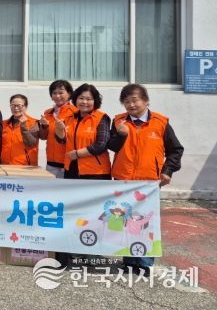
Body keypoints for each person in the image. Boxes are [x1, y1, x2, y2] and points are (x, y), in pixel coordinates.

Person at [108, 83, 183, 275]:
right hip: (123, 180)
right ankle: (128, 261)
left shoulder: (161, 122)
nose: (131, 105)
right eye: (126, 102)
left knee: (146, 223)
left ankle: (144, 263)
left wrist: (168, 171)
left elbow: (175, 150)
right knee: (125, 221)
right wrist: (121, 135)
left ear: (146, 101)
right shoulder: (118, 121)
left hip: (149, 182)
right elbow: (112, 146)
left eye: (135, 100)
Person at [55, 83, 111, 180]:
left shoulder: (101, 118)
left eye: (89, 99)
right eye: (81, 98)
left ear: (95, 101)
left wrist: (77, 154)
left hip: (95, 172)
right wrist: (59, 129)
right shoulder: (70, 117)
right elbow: (62, 141)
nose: (84, 102)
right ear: (75, 99)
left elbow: (101, 145)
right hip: (71, 168)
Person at [38, 80, 76, 177]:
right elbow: (43, 137)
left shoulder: (75, 112)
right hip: (51, 161)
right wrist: (44, 126)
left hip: (69, 161)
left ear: (69, 94)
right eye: (54, 93)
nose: (57, 96)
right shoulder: (48, 113)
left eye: (61, 92)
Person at [0, 94, 39, 165]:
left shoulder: (34, 123)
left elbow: (31, 143)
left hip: (25, 166)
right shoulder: (4, 123)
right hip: (5, 165)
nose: (16, 108)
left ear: (25, 107)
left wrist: (23, 126)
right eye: (13, 105)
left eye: (19, 106)